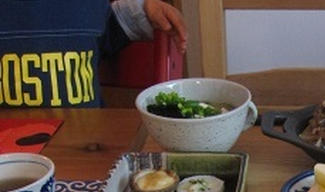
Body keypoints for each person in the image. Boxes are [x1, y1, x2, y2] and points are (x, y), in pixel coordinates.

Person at [0, 0, 187, 108]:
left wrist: (145, 9)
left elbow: (110, 29)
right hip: (11, 154)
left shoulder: (90, 5)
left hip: (86, 146)